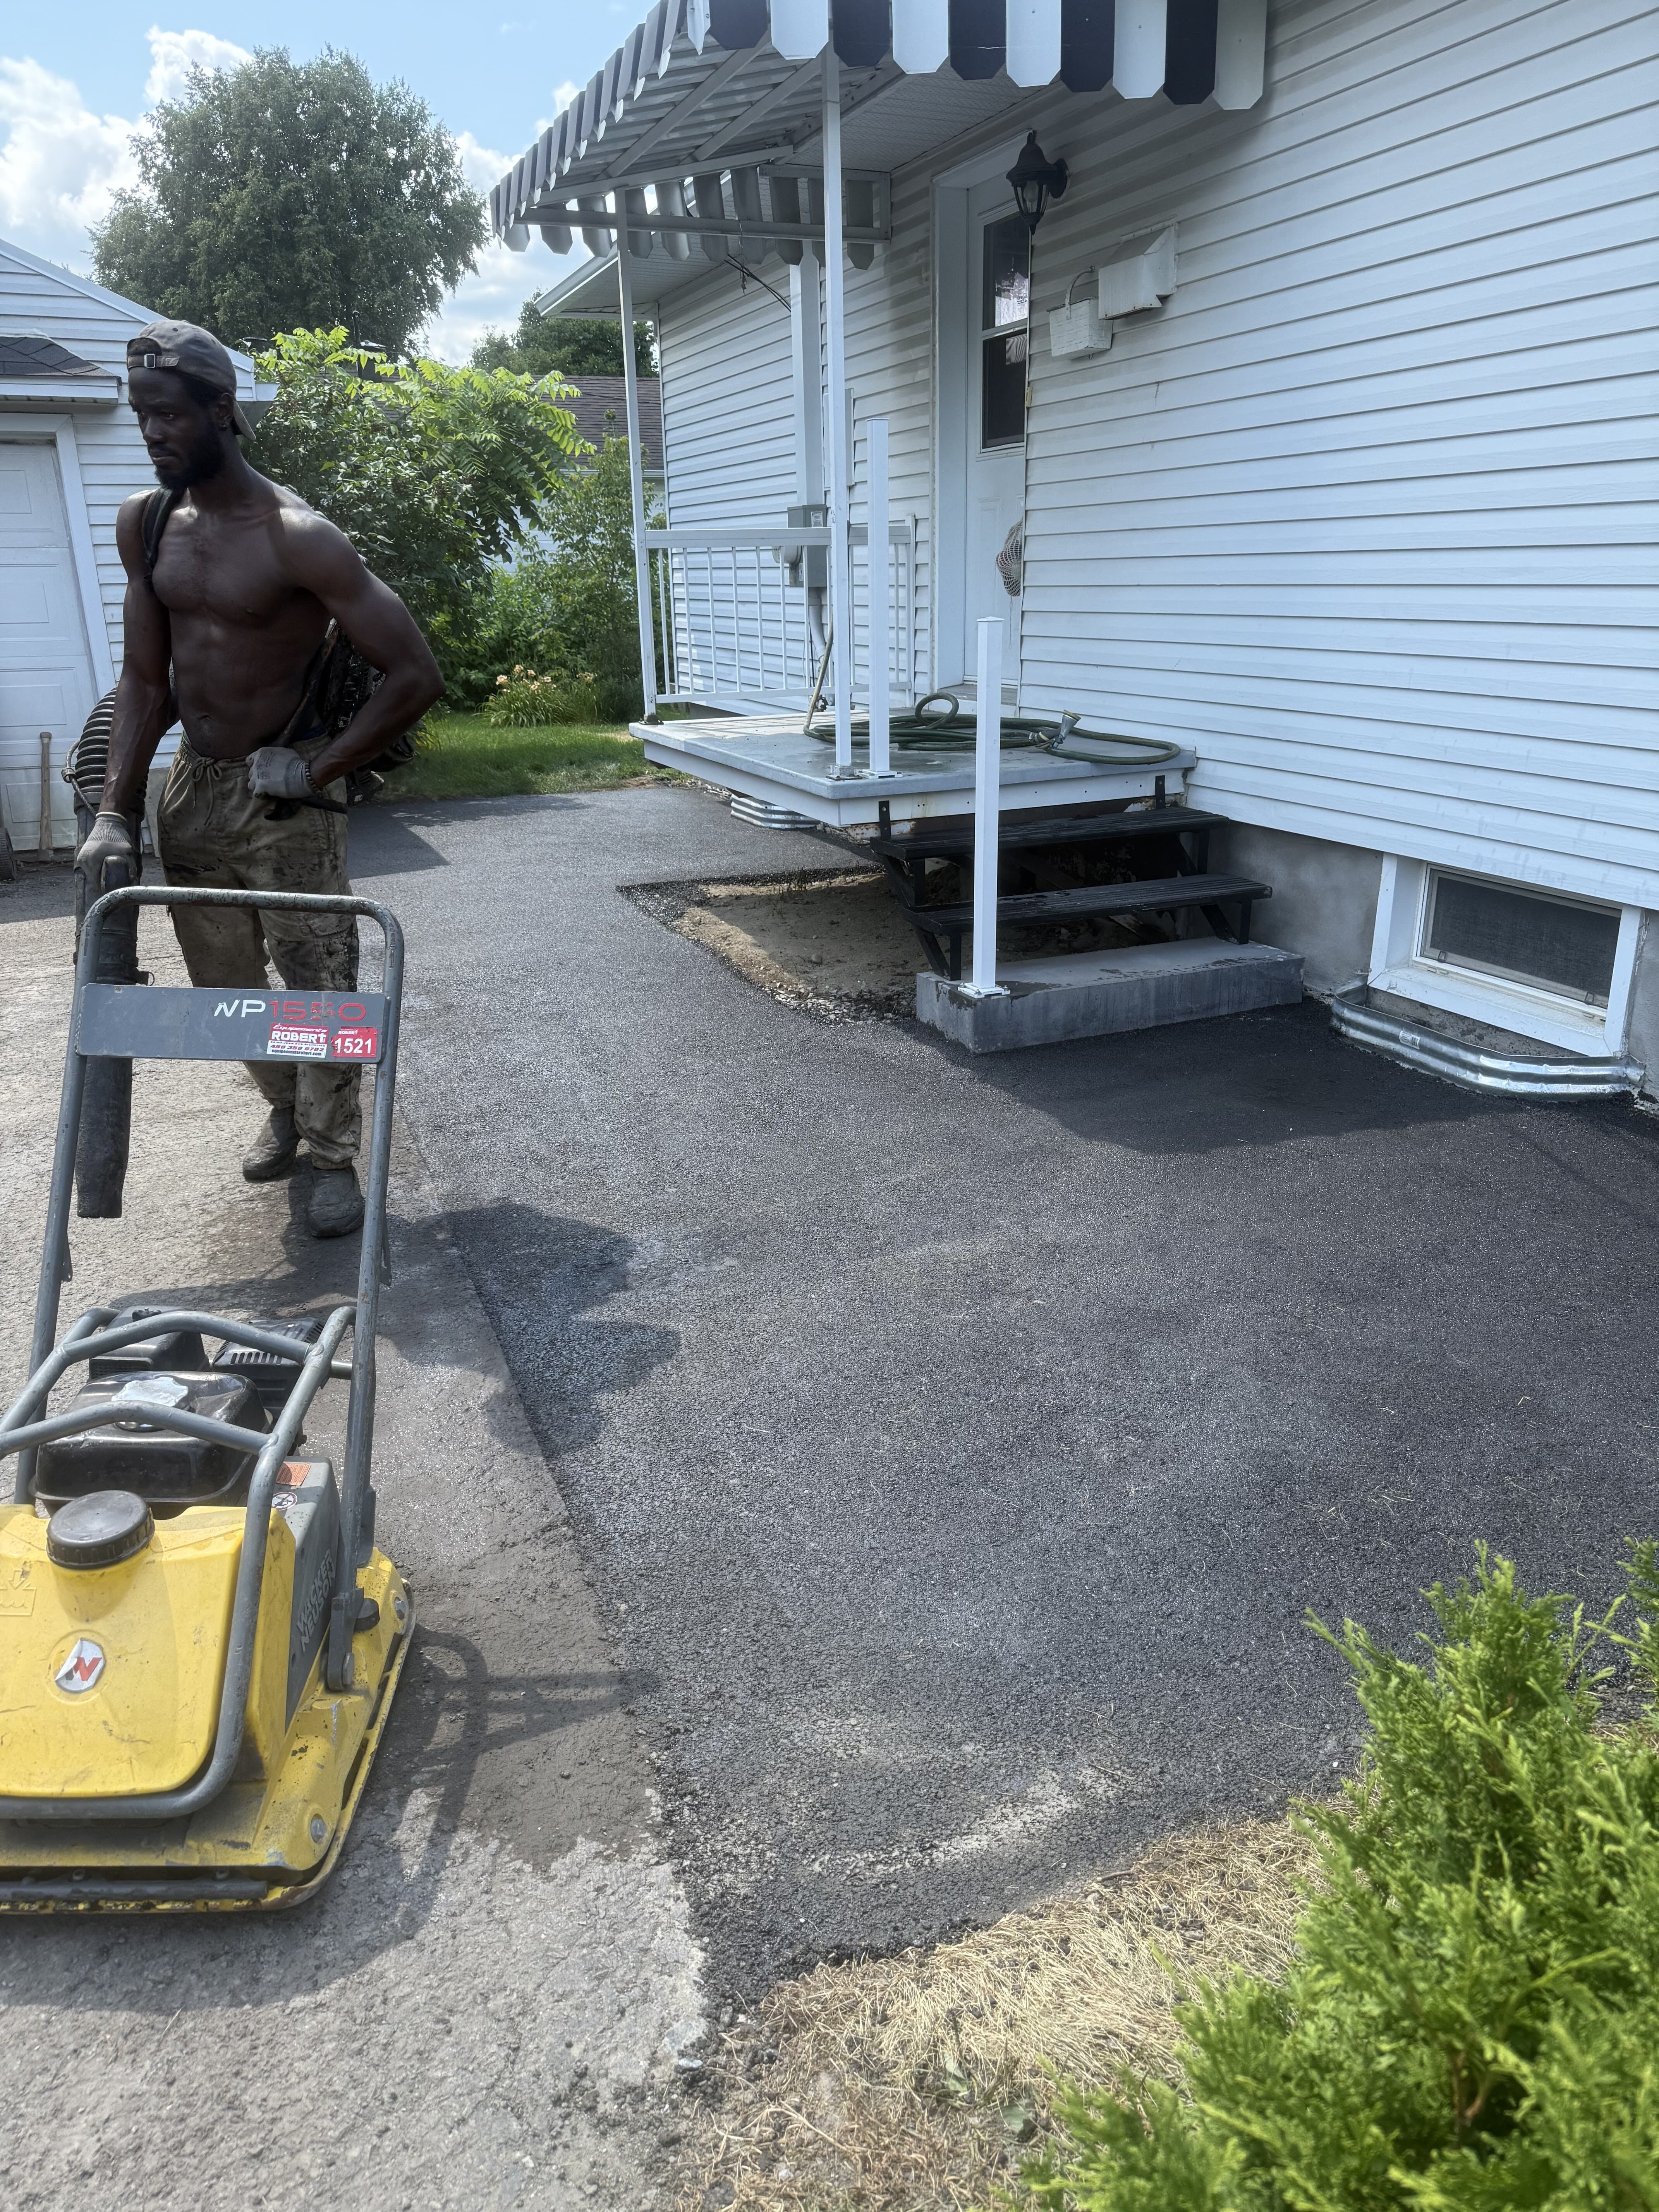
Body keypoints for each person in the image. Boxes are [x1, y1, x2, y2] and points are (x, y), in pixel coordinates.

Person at [76, 320, 443, 1237]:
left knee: (319, 981)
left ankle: (330, 1156)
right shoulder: (147, 522)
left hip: (285, 798)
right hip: (193, 792)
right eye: (141, 417)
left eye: (167, 415)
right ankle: (284, 1107)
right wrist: (116, 810)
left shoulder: (298, 538)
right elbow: (145, 680)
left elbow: (415, 675)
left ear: (221, 411)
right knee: (223, 985)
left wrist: (318, 765)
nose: (152, 433)